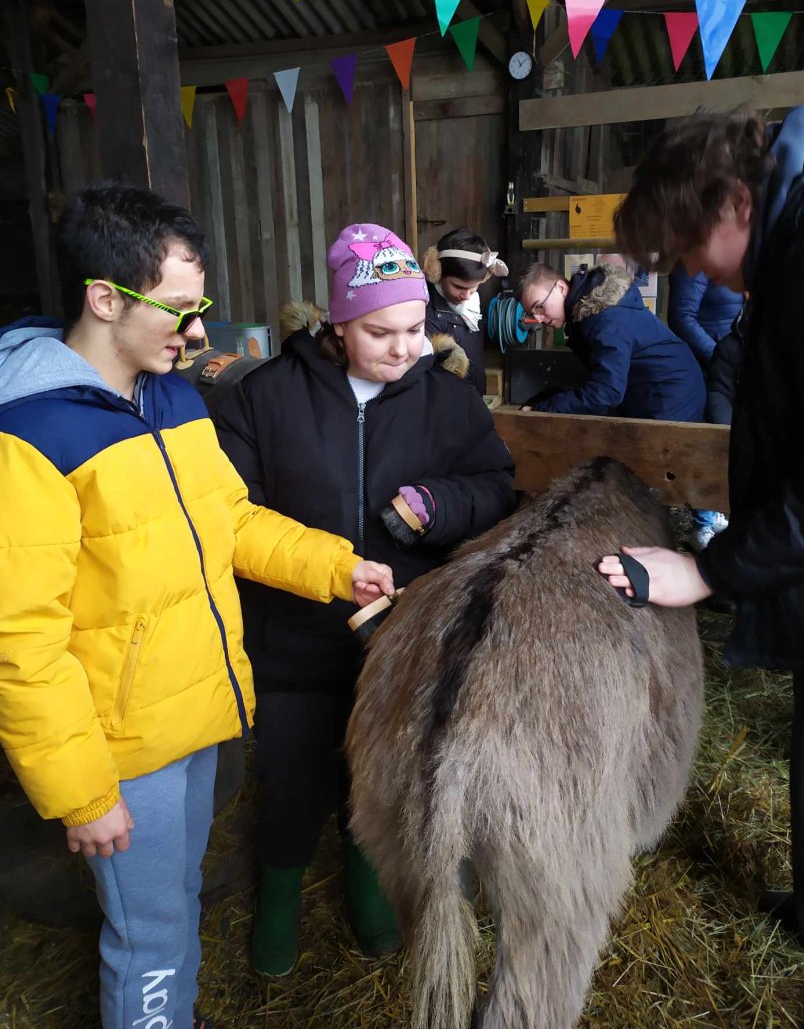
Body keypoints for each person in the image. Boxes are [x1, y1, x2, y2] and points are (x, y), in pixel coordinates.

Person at [0, 184, 394, 1029]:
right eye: (179, 308)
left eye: (200, 305)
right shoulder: (29, 435)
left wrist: (337, 567)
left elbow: (231, 520)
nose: (198, 330)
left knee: (173, 900)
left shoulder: (173, 394)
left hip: (197, 711)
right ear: (104, 299)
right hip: (121, 745)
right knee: (148, 932)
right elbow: (18, 639)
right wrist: (81, 790)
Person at [598, 104, 804, 1029]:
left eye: (684, 248)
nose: (691, 273)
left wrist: (712, 571)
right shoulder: (802, 235)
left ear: (734, 203)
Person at [215, 222, 516, 979]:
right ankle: (278, 898)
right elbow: (233, 508)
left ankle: (368, 884)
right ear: (339, 323)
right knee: (289, 773)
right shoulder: (265, 397)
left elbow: (493, 486)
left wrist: (438, 505)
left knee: (381, 771)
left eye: (415, 328)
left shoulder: (448, 402)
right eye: (380, 331)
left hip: (403, 631)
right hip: (293, 634)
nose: (404, 347)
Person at [515, 260, 706, 421]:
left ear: (561, 287)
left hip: (671, 400)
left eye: (539, 307)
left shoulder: (605, 319)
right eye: (532, 313)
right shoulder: (588, 311)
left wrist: (543, 410)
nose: (538, 319)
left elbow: (606, 393)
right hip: (659, 391)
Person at [668, 260, 743, 548]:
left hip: (730, 366)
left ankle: (711, 514)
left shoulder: (731, 260)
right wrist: (720, 358)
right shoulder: (694, 261)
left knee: (726, 441)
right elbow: (683, 317)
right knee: (710, 442)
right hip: (709, 367)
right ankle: (702, 525)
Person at [422, 226, 508, 394]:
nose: (467, 296)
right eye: (458, 287)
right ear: (437, 272)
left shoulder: (472, 306)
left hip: (473, 396)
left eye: (474, 288)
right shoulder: (424, 311)